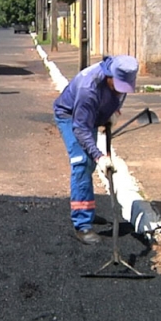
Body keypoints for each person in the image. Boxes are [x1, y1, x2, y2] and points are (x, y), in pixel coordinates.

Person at [52, 55, 139, 245]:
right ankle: (82, 225)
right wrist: (100, 157)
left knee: (89, 163)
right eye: (118, 85)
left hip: (93, 114)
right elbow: (80, 128)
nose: (120, 90)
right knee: (82, 163)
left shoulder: (122, 74)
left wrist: (113, 113)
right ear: (110, 76)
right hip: (71, 117)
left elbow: (119, 96)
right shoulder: (88, 88)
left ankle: (86, 207)